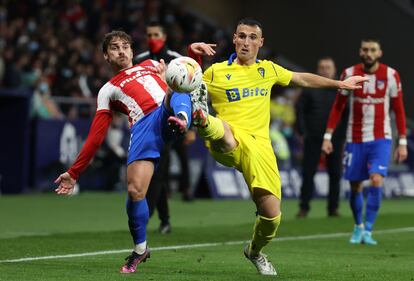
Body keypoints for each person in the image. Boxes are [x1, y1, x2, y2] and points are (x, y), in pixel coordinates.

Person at [187, 18, 368, 276]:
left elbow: (301, 79)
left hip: (260, 147)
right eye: (241, 36)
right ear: (234, 39)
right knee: (223, 132)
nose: (246, 42)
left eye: (252, 37)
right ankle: (203, 121)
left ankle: (255, 251)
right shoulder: (215, 72)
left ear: (261, 42)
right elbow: (184, 83)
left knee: (272, 216)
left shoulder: (268, 70)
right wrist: (189, 57)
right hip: (228, 140)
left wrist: (338, 84)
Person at [54, 30, 193, 273]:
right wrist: (74, 173)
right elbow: (97, 135)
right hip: (143, 128)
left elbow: (191, 74)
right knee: (134, 191)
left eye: (126, 46)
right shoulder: (108, 90)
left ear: (131, 50)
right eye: (115, 47)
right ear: (106, 56)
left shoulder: (151, 65)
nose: (122, 50)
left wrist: (192, 55)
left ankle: (183, 118)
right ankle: (140, 250)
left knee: (176, 77)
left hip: (165, 111)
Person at [322, 39, 407, 245]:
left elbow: (399, 109)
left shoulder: (391, 75)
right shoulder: (349, 73)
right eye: (365, 50)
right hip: (355, 138)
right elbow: (338, 106)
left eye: (372, 50)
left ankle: (368, 229)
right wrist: (328, 136)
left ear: (380, 53)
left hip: (381, 138)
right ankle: (358, 226)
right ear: (360, 52)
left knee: (377, 179)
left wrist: (402, 141)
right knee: (355, 185)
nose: (368, 53)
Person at [134, 21, 194, 234]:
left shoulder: (177, 60)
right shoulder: (139, 60)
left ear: (164, 36)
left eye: (156, 34)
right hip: (149, 122)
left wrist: (190, 124)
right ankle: (165, 219)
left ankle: (153, 211)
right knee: (158, 171)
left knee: (163, 169)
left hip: (173, 121)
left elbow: (190, 88)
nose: (152, 38)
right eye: (149, 34)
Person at [295, 57, 347, 218]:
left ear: (334, 70)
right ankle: (304, 208)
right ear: (318, 70)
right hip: (313, 137)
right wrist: (303, 133)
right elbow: (299, 111)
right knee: (308, 173)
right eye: (322, 67)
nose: (325, 70)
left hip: (335, 139)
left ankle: (333, 209)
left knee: (335, 173)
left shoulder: (341, 90)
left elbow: (346, 115)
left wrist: (343, 136)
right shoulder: (309, 88)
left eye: (328, 67)